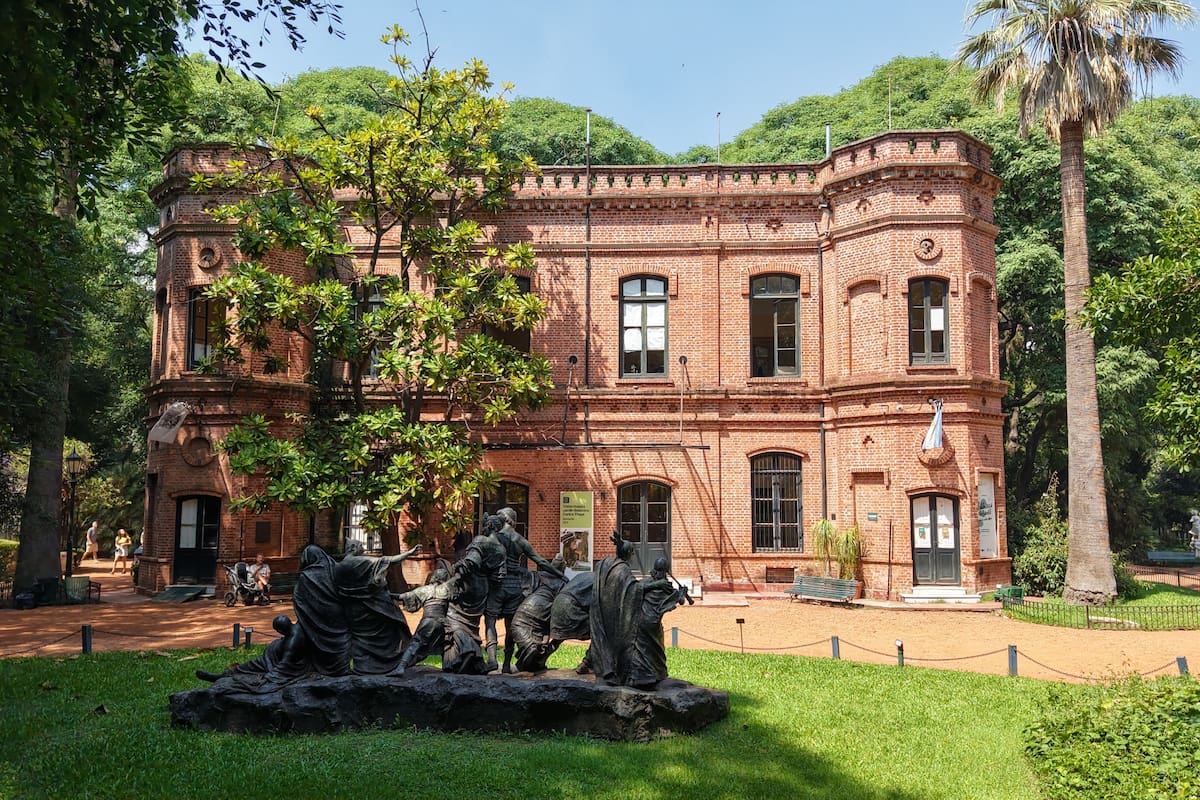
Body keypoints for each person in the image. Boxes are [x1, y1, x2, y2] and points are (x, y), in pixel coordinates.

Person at [494, 507, 565, 673]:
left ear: (504, 519)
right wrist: (559, 574)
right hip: (514, 586)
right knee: (510, 625)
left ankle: (490, 660)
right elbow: (541, 562)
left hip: (496, 585)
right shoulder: (520, 540)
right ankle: (505, 663)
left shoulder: (494, 537)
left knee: (489, 622)